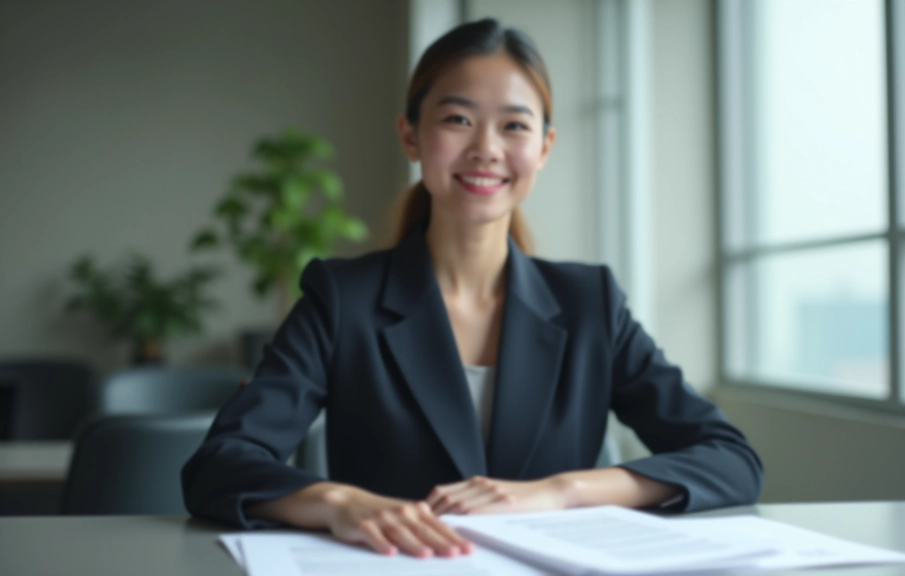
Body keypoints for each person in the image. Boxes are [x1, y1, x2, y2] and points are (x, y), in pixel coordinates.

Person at [181, 18, 763, 560]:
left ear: (544, 148)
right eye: (458, 119)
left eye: (514, 125)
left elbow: (729, 459)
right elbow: (221, 463)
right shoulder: (343, 298)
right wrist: (337, 502)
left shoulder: (591, 304)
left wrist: (563, 491)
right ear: (410, 136)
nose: (486, 147)